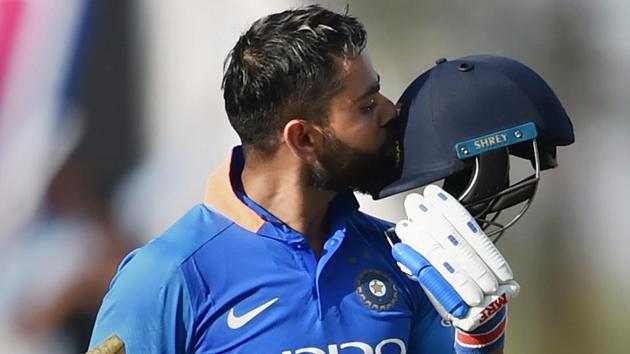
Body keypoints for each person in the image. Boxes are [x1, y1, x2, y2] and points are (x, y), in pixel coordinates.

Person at [89, 5, 519, 353]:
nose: (392, 111)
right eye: (366, 106)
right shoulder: (167, 277)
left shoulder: (406, 258)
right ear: (305, 138)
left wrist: (480, 343)